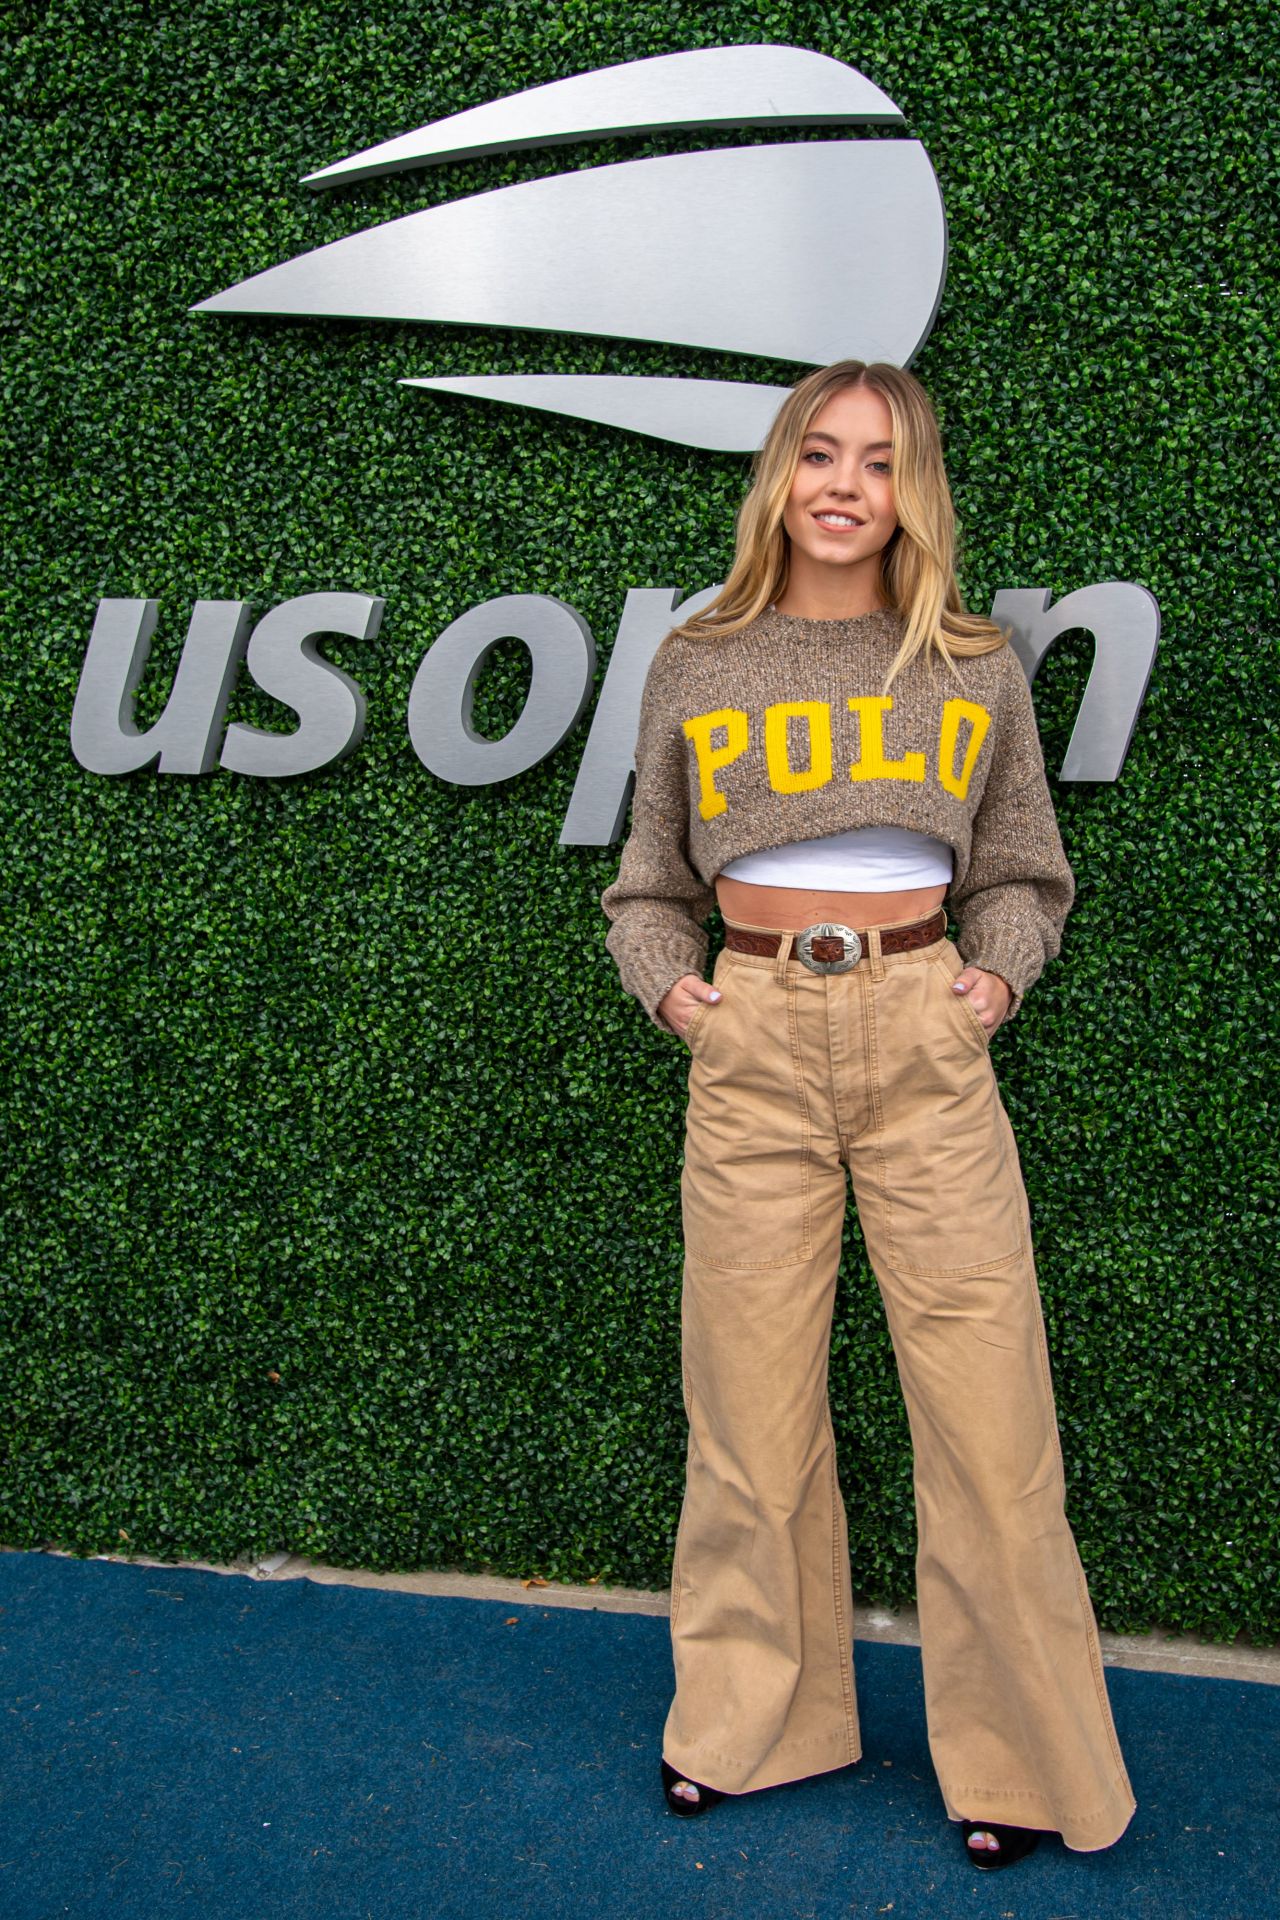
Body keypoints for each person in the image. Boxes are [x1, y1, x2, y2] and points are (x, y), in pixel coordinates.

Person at [599, 360, 1136, 1872]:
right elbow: (647, 878)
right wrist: (680, 996)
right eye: (819, 453)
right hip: (755, 1032)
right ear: (781, 474)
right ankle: (747, 1726)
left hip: (921, 1029)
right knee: (748, 1413)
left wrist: (990, 989)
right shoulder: (697, 657)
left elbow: (1023, 869)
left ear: (916, 492)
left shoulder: (972, 662)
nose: (845, 484)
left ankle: (1022, 1764)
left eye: (881, 462)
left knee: (988, 1417)